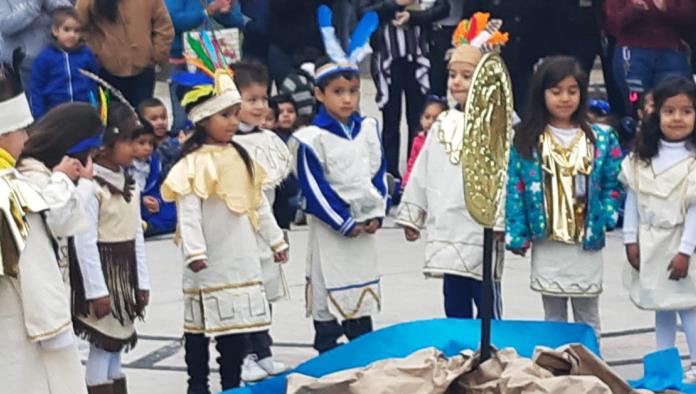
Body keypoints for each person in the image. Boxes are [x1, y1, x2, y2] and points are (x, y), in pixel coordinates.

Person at [163, 67, 289, 393]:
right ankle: (198, 385)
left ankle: (231, 383)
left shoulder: (241, 155)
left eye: (235, 114)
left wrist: (275, 240)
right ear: (204, 120)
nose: (233, 122)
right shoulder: (192, 163)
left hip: (240, 256)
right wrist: (194, 251)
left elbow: (258, 202)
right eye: (225, 116)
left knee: (234, 330)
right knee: (200, 328)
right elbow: (188, 212)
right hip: (207, 260)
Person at [396, 14, 507, 319]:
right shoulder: (443, 122)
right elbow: (423, 171)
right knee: (454, 298)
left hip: (481, 226)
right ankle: (460, 353)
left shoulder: (499, 123)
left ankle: (491, 352)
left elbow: (504, 174)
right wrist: (412, 214)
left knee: (486, 298)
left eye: (467, 75)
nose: (457, 81)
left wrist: (500, 221)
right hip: (448, 223)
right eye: (453, 74)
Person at [505, 56, 624, 339]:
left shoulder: (601, 138)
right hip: (548, 241)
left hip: (586, 242)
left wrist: (607, 214)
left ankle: (590, 363)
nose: (564, 98)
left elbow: (613, 181)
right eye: (556, 91)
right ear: (541, 94)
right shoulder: (527, 139)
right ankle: (557, 363)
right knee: (553, 314)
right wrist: (518, 234)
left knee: (587, 312)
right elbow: (515, 187)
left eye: (572, 91)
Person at [290, 5, 385, 353]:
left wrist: (376, 213)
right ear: (319, 94)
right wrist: (344, 221)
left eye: (353, 91)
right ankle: (328, 348)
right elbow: (314, 189)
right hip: (334, 229)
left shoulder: (368, 130)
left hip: (365, 227)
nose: (347, 99)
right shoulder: (311, 139)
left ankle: (363, 350)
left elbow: (378, 173)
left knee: (361, 300)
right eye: (338, 92)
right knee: (329, 291)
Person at [0, 49, 87, 394]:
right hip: (22, 324)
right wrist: (53, 327)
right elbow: (32, 263)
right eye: (22, 129)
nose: (26, 138)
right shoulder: (10, 189)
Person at [71, 101, 151, 394]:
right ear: (104, 146)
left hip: (124, 275)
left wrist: (142, 283)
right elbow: (84, 240)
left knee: (117, 347)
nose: (137, 147)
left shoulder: (130, 185)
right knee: (102, 346)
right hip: (104, 277)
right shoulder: (91, 188)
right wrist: (96, 291)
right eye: (129, 140)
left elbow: (137, 237)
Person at [620, 77, 696, 383]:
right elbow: (633, 199)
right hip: (651, 241)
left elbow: (694, 211)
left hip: (682, 245)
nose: (677, 118)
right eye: (669, 111)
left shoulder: (692, 162)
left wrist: (685, 251)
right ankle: (664, 366)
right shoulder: (641, 159)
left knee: (689, 307)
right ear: (657, 114)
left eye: (687, 111)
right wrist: (630, 239)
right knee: (660, 305)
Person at [230, 61, 291, 381]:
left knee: (266, 289)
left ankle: (264, 350)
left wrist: (280, 231)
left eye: (263, 99)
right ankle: (245, 355)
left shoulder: (269, 140)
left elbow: (280, 192)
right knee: (245, 294)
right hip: (238, 231)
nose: (259, 106)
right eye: (250, 99)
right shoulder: (227, 144)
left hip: (266, 228)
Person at [18, 102, 104, 287]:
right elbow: (58, 220)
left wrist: (82, 183)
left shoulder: (53, 174)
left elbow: (72, 215)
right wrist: (65, 178)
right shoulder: (31, 174)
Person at [361, 0, 431, 179]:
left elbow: (442, 8)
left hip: (418, 57)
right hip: (387, 58)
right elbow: (363, 11)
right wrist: (395, 4)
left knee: (417, 119)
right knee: (391, 120)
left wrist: (413, 15)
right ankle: (390, 175)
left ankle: (414, 175)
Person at [164, 0, 244, 134]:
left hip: (219, 61)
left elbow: (238, 22)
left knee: (219, 106)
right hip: (183, 59)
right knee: (183, 114)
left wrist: (223, 14)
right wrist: (206, 12)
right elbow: (172, 20)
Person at [605, 0, 694, 118]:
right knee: (638, 108)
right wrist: (633, 9)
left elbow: (688, 15)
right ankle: (639, 134)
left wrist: (665, 7)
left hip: (672, 51)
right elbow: (613, 20)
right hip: (632, 52)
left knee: (676, 100)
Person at [77, 0, 174, 107]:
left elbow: (164, 28)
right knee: (111, 117)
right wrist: (96, 52)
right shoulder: (86, 2)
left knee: (142, 117)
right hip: (105, 71)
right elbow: (78, 28)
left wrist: (156, 55)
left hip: (143, 70)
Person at [30, 6, 99, 118]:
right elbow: (36, 88)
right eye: (67, 29)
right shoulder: (44, 57)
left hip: (84, 110)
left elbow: (94, 81)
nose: (72, 35)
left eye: (77, 31)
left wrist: (95, 105)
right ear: (55, 30)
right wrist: (40, 117)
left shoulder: (86, 54)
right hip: (55, 113)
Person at [0, 0, 71, 93]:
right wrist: (33, 6)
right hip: (25, 63)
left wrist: (55, 6)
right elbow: (5, 25)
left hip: (57, 56)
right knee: (38, 103)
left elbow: (69, 12)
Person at [130, 119, 177, 237]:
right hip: (133, 203)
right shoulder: (125, 164)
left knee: (172, 213)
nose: (147, 148)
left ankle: (146, 227)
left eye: (150, 143)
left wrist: (157, 201)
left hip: (150, 206)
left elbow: (158, 187)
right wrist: (141, 200)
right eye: (141, 143)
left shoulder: (155, 162)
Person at [400, 95, 446, 190]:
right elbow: (412, 164)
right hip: (420, 182)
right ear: (421, 119)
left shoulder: (446, 142)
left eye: (436, 119)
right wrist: (406, 182)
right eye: (427, 117)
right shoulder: (418, 140)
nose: (430, 122)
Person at [269, 94, 301, 229]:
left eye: (291, 111)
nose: (286, 115)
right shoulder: (272, 139)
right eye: (281, 112)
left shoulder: (300, 136)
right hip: (283, 193)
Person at [138, 98, 182, 178]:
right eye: (154, 119)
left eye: (163, 117)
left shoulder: (178, 139)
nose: (161, 122)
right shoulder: (141, 146)